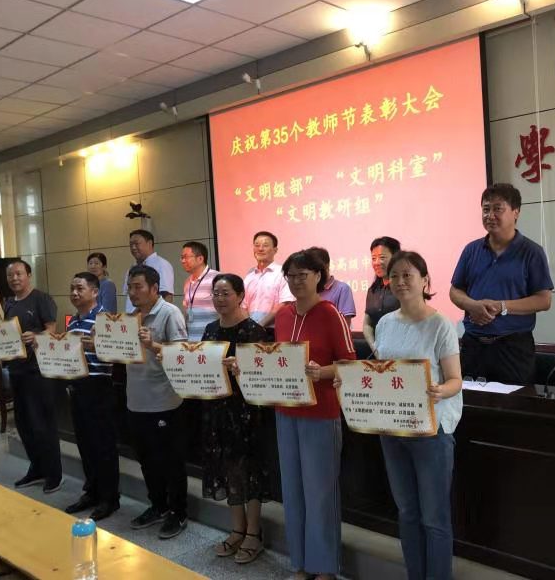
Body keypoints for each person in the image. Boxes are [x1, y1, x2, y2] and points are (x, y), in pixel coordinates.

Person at [340, 251, 462, 580]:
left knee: (434, 518)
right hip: (392, 429)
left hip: (432, 431)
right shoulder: (385, 324)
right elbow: (382, 374)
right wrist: (350, 383)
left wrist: (439, 390)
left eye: (408, 275)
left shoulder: (440, 325)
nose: (400, 281)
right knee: (407, 512)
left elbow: (455, 380)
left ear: (425, 281)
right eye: (394, 276)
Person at [271, 249, 356, 580]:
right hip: (285, 412)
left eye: (302, 275)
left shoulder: (330, 313)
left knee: (320, 493)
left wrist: (321, 373)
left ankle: (325, 567)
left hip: (321, 413)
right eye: (290, 276)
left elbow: (349, 364)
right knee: (292, 491)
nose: (295, 281)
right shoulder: (282, 314)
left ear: (318, 276)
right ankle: (301, 563)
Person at [198, 274, 271, 564]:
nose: (219, 299)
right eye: (215, 293)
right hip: (217, 409)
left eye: (226, 293)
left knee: (249, 470)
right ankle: (236, 529)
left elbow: (264, 375)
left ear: (241, 296)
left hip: (246, 411)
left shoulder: (254, 331)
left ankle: (254, 533)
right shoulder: (210, 329)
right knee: (228, 469)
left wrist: (243, 369)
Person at [450, 183, 553, 385]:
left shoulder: (532, 252)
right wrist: (472, 305)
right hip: (473, 345)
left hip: (513, 347)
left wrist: (502, 306)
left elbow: (544, 300)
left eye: (498, 209)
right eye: (486, 209)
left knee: (515, 402)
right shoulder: (471, 250)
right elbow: (455, 290)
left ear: (516, 212)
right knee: (471, 401)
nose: (490, 215)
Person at [124, 265, 189, 539]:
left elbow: (183, 354)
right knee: (147, 460)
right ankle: (158, 505)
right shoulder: (130, 318)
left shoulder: (169, 313)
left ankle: (178, 512)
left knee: (171, 461)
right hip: (136, 400)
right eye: (130, 287)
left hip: (164, 400)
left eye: (138, 286)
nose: (132, 292)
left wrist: (153, 345)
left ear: (154, 288)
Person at [62, 272, 120, 521]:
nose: (74, 293)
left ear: (95, 292)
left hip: (99, 386)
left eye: (80, 288)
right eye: (72, 289)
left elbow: (117, 354)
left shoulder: (106, 320)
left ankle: (109, 498)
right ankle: (92, 492)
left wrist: (96, 345)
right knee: (85, 444)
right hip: (78, 386)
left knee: (103, 445)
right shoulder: (73, 322)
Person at [2, 260, 63, 493]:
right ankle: (37, 468)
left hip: (38, 371)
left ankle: (54, 474)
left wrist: (37, 336)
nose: (14, 278)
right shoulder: (9, 303)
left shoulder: (41, 299)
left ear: (28, 275)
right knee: (24, 424)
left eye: (19, 274)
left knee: (43, 424)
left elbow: (52, 330)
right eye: (10, 275)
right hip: (17, 371)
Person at [243, 231, 293, 331]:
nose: (260, 249)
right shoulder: (249, 275)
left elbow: (285, 303)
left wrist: (260, 325)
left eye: (265, 245)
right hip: (250, 330)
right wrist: (249, 325)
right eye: (257, 245)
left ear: (275, 250)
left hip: (273, 330)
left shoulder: (283, 272)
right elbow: (243, 305)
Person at [363, 236, 401, 356]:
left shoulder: (405, 288)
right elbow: (367, 324)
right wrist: (375, 349)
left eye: (382, 258)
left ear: (395, 258)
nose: (377, 263)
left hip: (404, 354)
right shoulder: (373, 290)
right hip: (378, 354)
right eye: (373, 258)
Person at [122, 230, 175, 312]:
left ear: (149, 243)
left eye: (136, 243)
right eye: (131, 244)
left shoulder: (162, 265)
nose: (133, 247)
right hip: (132, 317)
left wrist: (160, 317)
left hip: (152, 318)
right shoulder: (132, 268)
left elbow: (167, 297)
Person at [180, 241, 220, 342]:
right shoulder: (187, 282)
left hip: (212, 340)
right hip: (192, 341)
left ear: (200, 259)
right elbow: (186, 311)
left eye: (186, 257)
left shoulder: (216, 278)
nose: (183, 261)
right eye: (182, 257)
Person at [308, 246, 356, 326]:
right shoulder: (308, 290)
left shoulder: (342, 289)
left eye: (316, 268)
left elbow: (345, 325)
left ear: (327, 266)